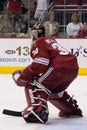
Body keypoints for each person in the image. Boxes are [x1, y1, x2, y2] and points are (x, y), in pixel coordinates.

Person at [12, 24, 83, 124]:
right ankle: (70, 109)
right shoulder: (51, 40)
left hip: (59, 67)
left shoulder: (38, 42)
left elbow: (41, 63)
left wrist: (25, 75)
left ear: (34, 33)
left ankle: (37, 112)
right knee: (53, 89)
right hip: (73, 68)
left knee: (34, 84)